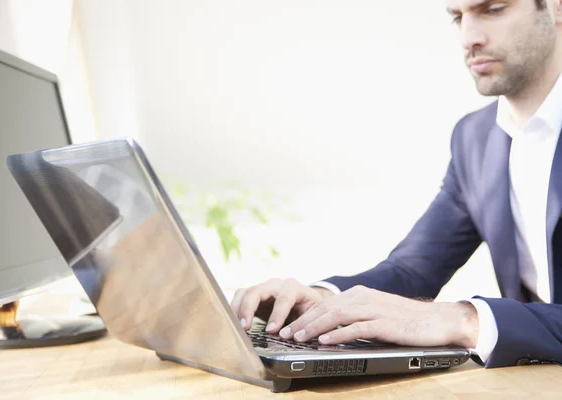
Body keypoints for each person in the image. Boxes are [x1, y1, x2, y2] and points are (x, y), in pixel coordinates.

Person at [231, 0, 562, 368]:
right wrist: (321, 298)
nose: (469, 37)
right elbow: (413, 270)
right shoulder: (474, 140)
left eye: (494, 9)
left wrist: (465, 319)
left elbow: (460, 317)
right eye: (457, 17)